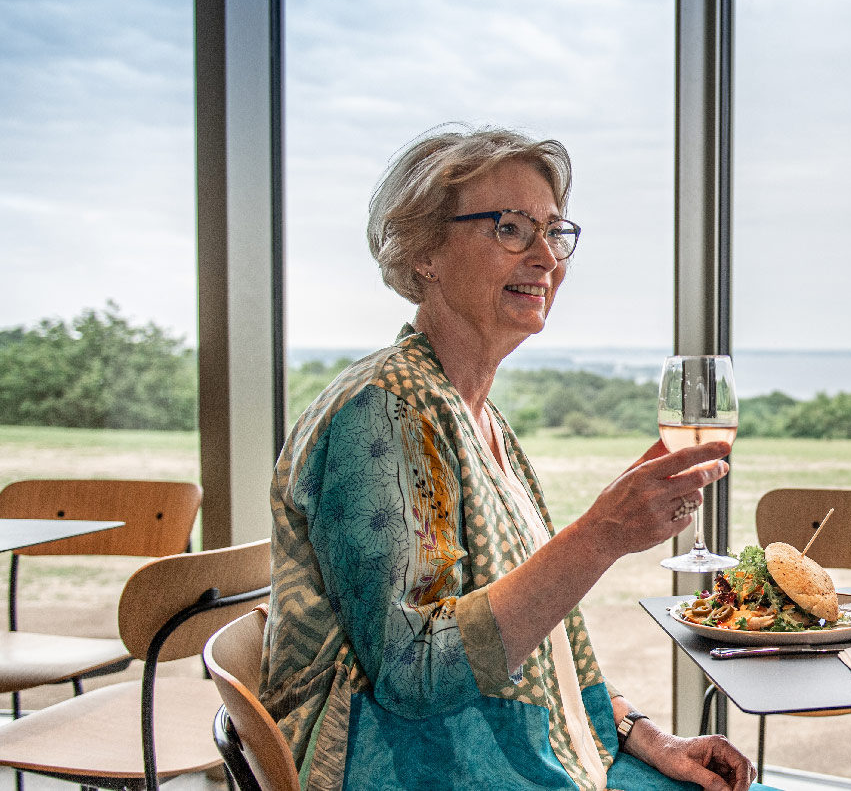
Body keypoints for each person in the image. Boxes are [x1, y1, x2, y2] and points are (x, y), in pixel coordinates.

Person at [262, 126, 757, 791]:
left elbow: (541, 636)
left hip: (528, 751)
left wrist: (645, 735)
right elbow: (416, 673)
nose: (547, 257)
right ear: (423, 253)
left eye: (554, 231)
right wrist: (599, 537)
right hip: (413, 770)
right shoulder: (384, 410)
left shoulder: (480, 418)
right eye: (510, 228)